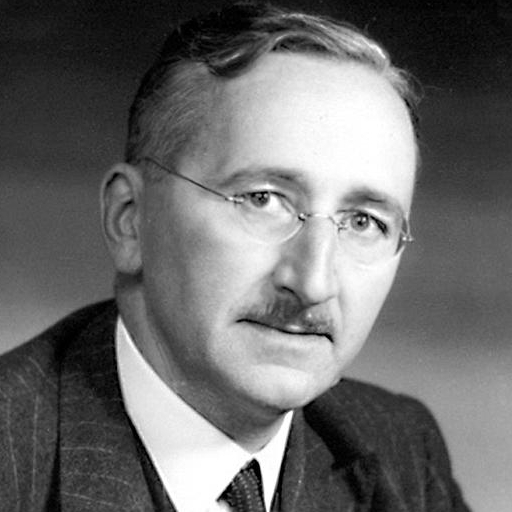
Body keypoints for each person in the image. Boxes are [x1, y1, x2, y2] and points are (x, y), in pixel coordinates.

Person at [0, 2, 470, 511]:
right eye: (262, 199)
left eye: (364, 222)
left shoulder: (401, 450)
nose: (313, 283)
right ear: (130, 219)